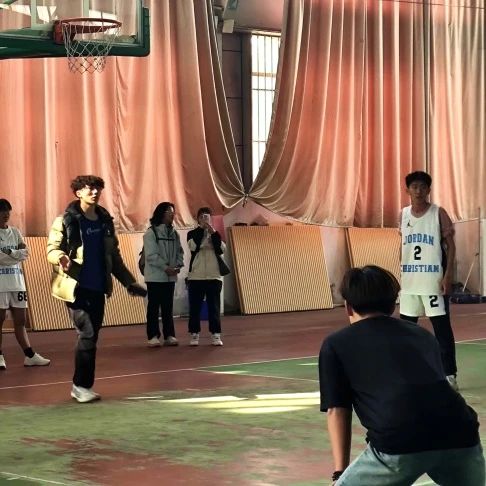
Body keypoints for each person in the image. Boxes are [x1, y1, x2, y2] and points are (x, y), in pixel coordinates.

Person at [319, 265, 484, 486]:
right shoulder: (422, 335)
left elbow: (337, 410)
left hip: (400, 440)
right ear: (392, 304)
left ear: (348, 307)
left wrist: (339, 473)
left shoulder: (336, 343)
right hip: (461, 432)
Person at [47, 175, 146, 403]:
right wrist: (60, 257)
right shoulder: (65, 220)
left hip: (99, 288)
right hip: (75, 288)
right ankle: (81, 386)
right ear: (78, 193)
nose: (95, 192)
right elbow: (51, 249)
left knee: (92, 337)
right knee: (87, 333)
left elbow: (114, 258)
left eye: (98, 189)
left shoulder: (104, 221)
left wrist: (129, 282)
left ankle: (82, 386)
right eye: (89, 188)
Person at [399, 171, 458, 390]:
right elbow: (402, 246)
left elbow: (451, 247)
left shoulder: (438, 213)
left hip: (433, 280)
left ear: (429, 190)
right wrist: (401, 271)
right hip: (410, 282)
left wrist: (448, 274)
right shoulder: (403, 214)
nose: (419, 191)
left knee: (442, 330)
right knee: (406, 331)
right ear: (407, 190)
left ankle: (449, 374)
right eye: (414, 186)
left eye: (423, 187)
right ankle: (407, 373)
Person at [0, 199, 50, 370]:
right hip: (1, 285)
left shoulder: (15, 232)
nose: (6, 214)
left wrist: (10, 252)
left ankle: (30, 356)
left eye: (8, 211)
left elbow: (25, 253)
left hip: (17, 283)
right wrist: (15, 254)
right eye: (2, 211)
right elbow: (2, 258)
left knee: (20, 320)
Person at [143, 202, 184, 347]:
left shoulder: (174, 234)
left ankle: (169, 335)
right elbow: (151, 255)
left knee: (168, 307)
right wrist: (165, 268)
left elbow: (180, 251)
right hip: (155, 277)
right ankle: (153, 336)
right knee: (153, 307)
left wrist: (178, 265)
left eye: (173, 212)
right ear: (161, 213)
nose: (172, 215)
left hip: (170, 277)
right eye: (169, 212)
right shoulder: (151, 233)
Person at [186, 207, 226, 346]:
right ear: (198, 219)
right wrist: (202, 231)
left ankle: (216, 334)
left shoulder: (216, 233)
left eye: (207, 217)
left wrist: (212, 232)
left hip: (214, 276)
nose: (205, 219)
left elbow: (221, 249)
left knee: (214, 307)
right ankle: (194, 333)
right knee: (195, 307)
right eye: (202, 217)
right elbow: (193, 246)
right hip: (196, 276)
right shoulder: (192, 233)